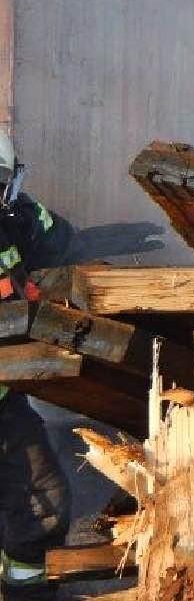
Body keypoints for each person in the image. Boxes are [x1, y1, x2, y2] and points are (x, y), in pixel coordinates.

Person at [0, 132, 72, 600]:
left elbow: (56, 237)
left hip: (5, 403)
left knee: (44, 503)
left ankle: (26, 593)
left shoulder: (12, 220)